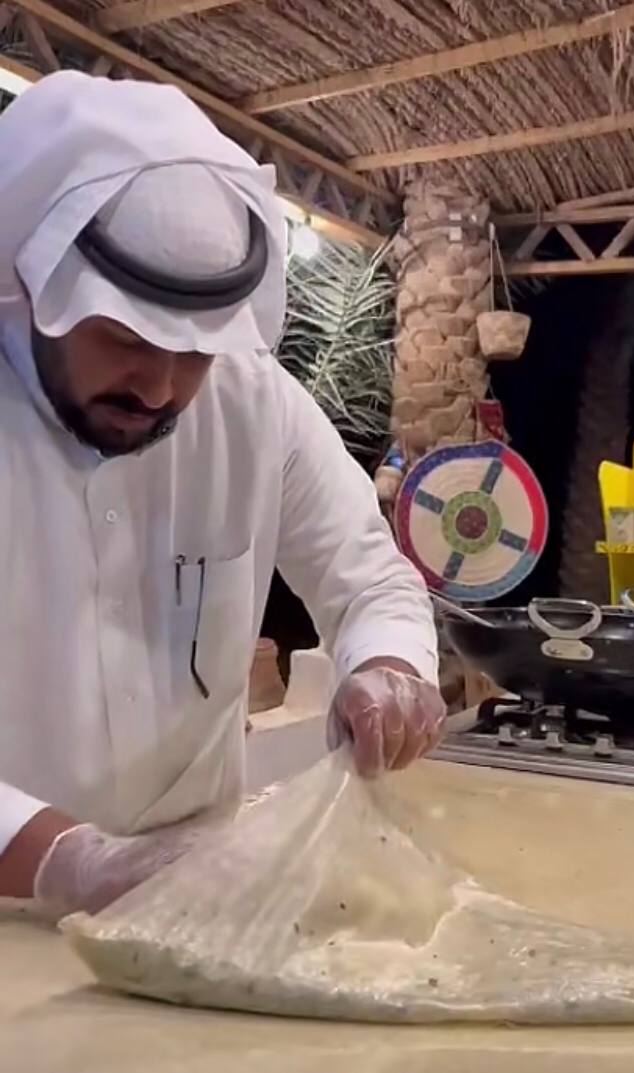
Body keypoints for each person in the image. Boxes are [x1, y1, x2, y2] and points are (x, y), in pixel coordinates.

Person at [0, 72, 445, 918]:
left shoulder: (253, 405)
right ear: (33, 282)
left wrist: (387, 668)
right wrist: (66, 860)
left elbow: (369, 578)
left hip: (205, 914)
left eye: (197, 350)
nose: (161, 388)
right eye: (125, 337)